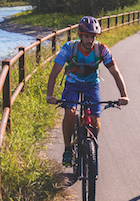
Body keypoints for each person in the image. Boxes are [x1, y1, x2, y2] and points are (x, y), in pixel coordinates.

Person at [46, 16, 129, 166]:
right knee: (70, 113)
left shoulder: (101, 50)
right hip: (72, 84)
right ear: (80, 35)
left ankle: (91, 146)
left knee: (95, 121)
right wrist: (49, 95)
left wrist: (124, 95)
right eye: (86, 36)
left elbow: (115, 72)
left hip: (92, 85)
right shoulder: (69, 48)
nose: (90, 40)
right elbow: (55, 72)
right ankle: (67, 149)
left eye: (93, 37)